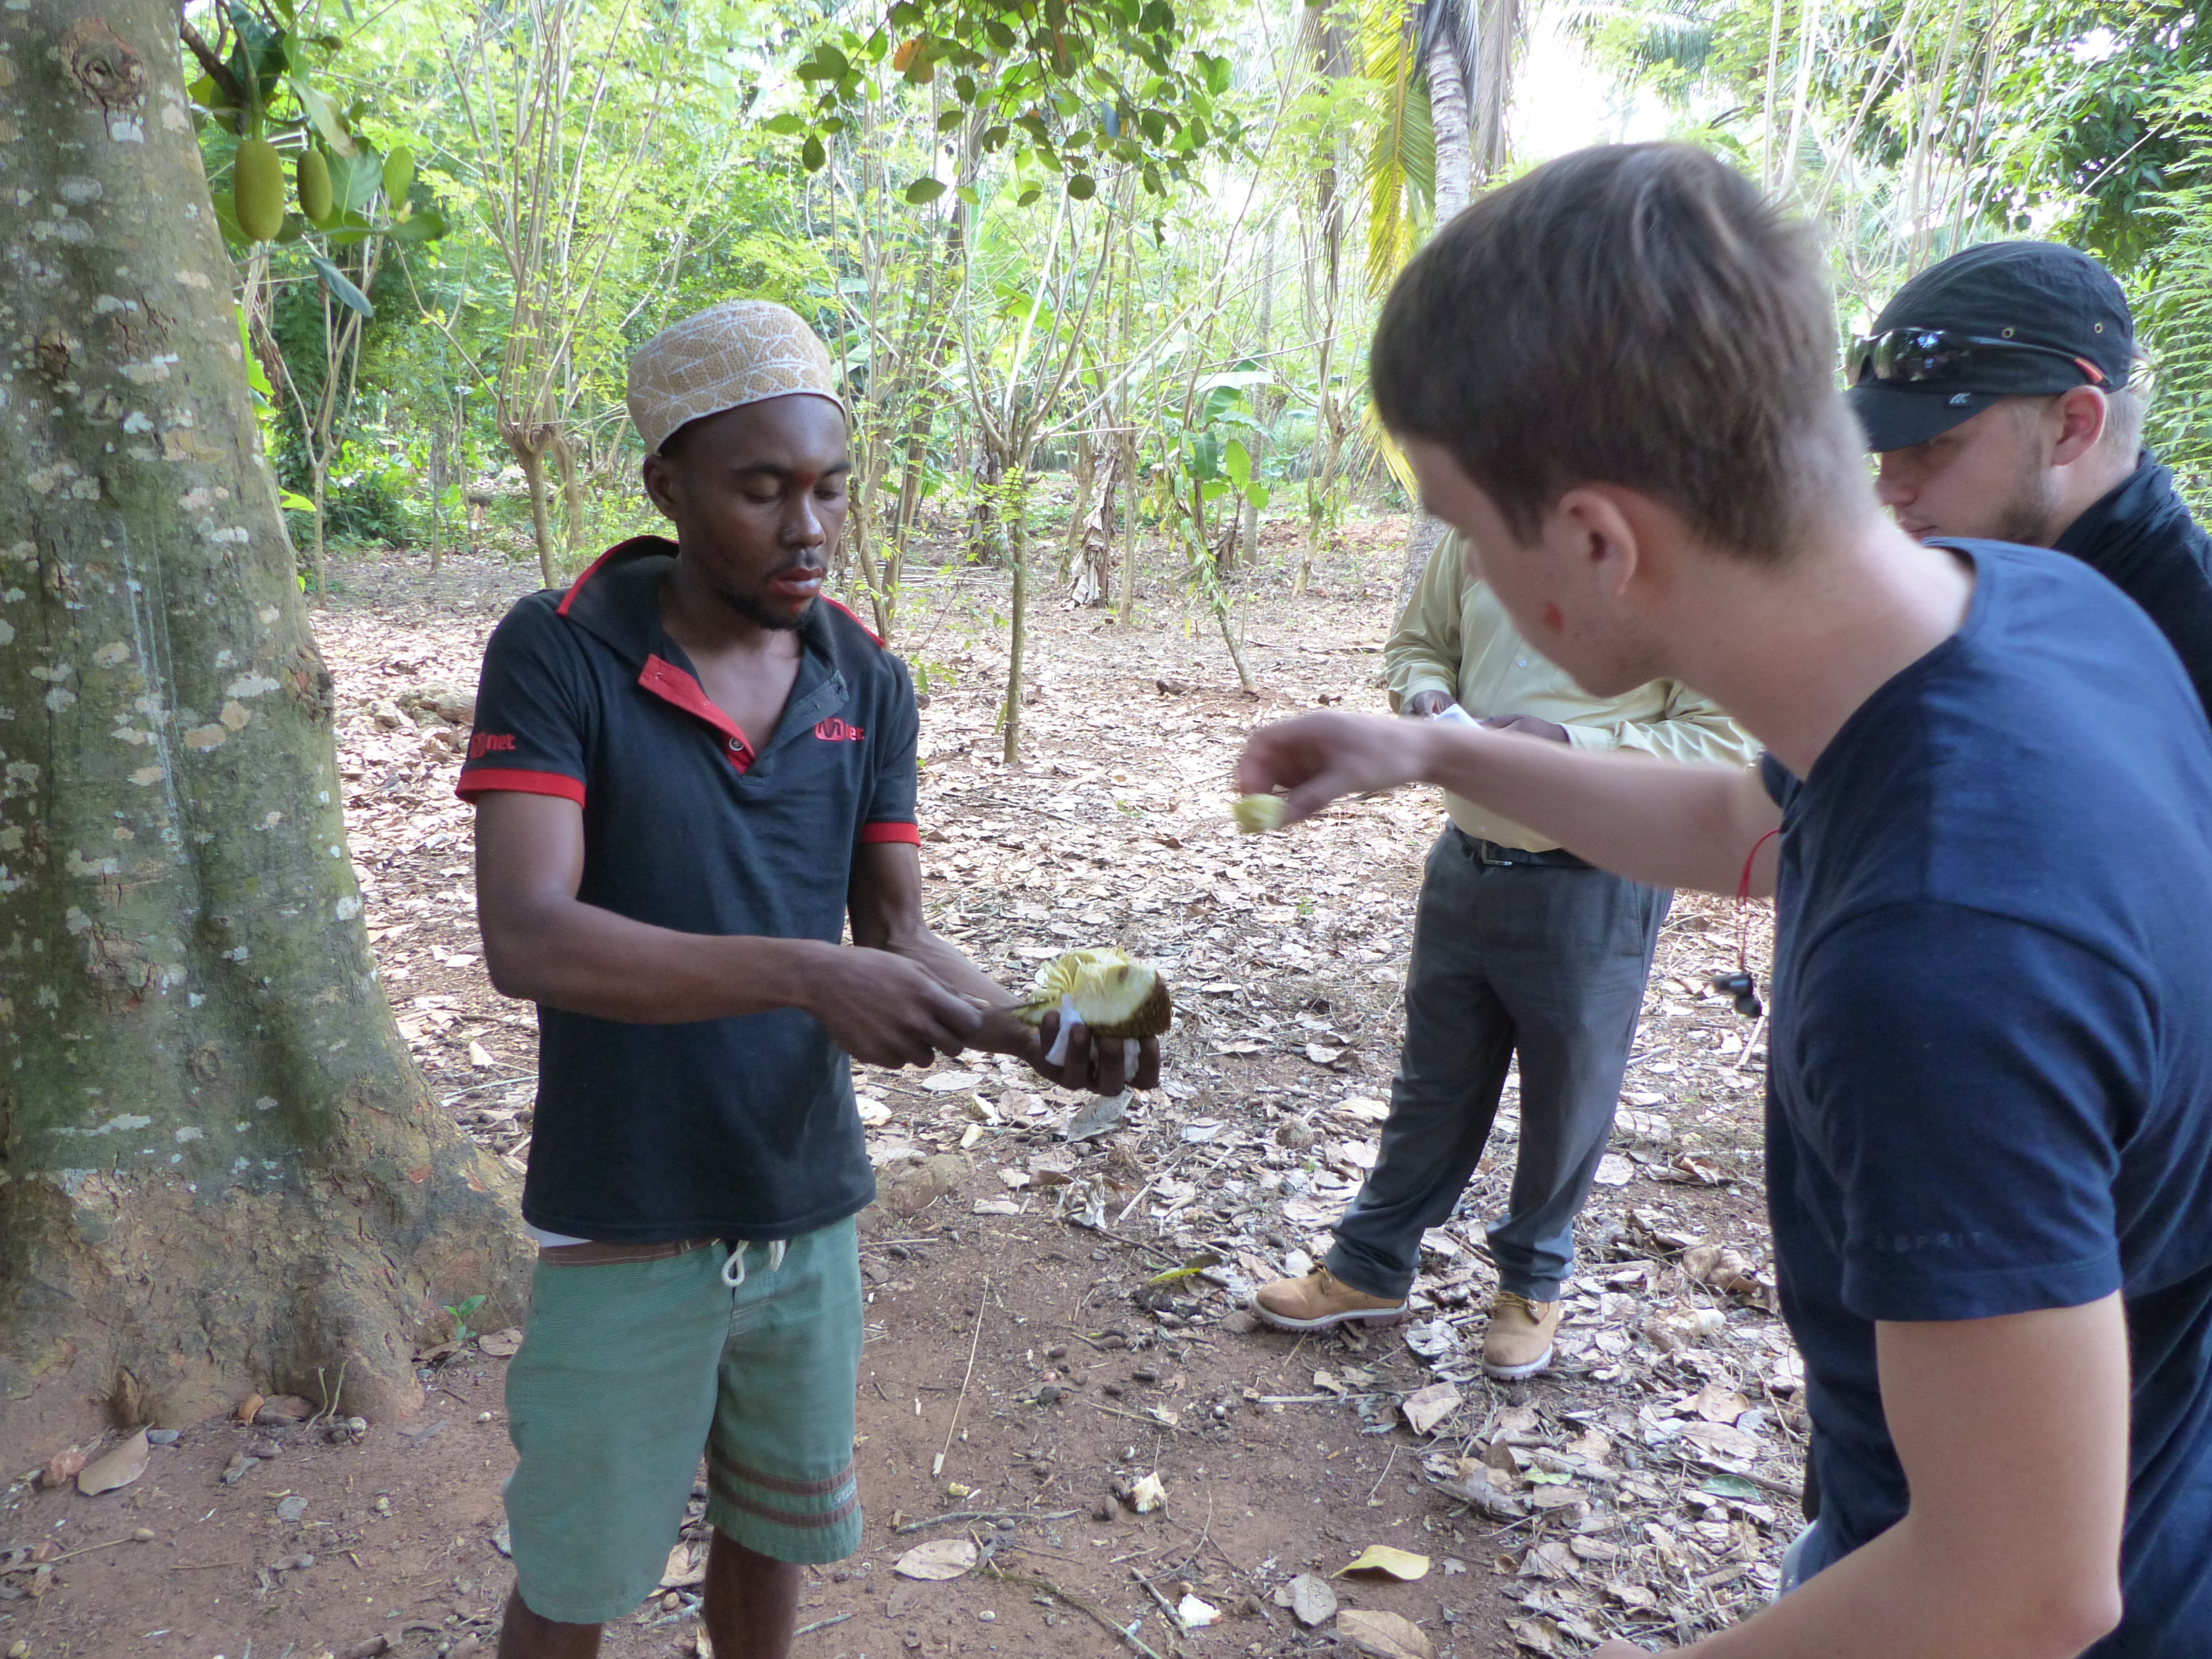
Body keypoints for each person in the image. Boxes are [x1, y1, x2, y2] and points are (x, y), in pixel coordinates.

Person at [1238, 145, 2212, 1657]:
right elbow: (1741, 824)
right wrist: (1428, 748)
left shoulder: (1945, 954)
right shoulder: (2035, 608)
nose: (1467, 567)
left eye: (1466, 527)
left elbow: (2020, 1586)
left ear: (1595, 542)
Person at [461, 299, 1156, 1659]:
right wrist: (803, 973)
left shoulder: (864, 674)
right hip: (627, 1202)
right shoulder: (558, 648)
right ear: (666, 485)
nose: (808, 526)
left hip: (801, 1198)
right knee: (577, 1572)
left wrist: (1032, 1026)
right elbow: (528, 936)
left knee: (773, 1526)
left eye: (830, 486)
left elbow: (894, 928)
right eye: (762, 488)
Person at [1247, 535, 1755, 1379]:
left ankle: (1531, 1283)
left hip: (1596, 870)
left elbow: (1720, 740)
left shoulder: (1684, 553)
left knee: (1568, 1091)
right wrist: (1427, 699)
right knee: (1434, 1079)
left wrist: (1562, 742)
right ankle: (1370, 1264)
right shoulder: (1476, 529)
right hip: (1469, 855)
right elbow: (1418, 645)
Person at [1850, 239, 2212, 718]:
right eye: (1882, 448)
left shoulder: (2193, 647)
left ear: (2073, 427)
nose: (1887, 489)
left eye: (1932, 442)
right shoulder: (1952, 602)